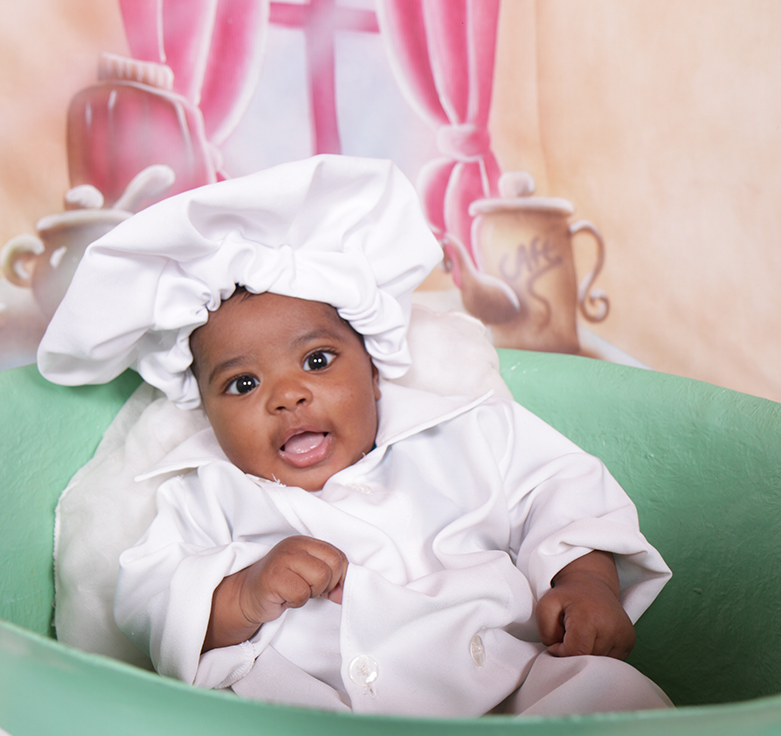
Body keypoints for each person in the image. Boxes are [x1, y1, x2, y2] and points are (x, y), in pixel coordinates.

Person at [38, 155, 672, 717]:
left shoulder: (469, 432)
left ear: (374, 372)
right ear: (203, 408)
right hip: (312, 711)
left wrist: (587, 585)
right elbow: (152, 602)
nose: (286, 396)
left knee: (607, 692)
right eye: (242, 384)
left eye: (317, 361)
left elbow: (562, 496)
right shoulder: (205, 495)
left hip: (506, 687)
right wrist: (244, 595)